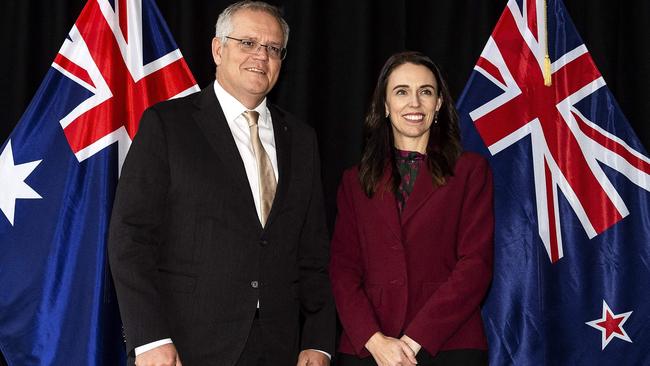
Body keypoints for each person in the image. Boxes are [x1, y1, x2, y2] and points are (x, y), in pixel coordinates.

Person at [107, 2, 335, 365]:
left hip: (280, 348)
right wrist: (149, 338)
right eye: (247, 42)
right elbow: (130, 237)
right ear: (218, 49)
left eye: (273, 48)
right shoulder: (168, 125)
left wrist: (319, 340)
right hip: (184, 346)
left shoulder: (302, 139)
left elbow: (314, 252)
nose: (261, 56)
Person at [329, 51, 493, 366]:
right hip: (369, 349)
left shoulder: (471, 171)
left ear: (439, 105)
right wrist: (374, 340)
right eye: (401, 92)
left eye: (426, 92)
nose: (414, 103)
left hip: (449, 345)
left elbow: (475, 265)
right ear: (385, 106)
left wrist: (414, 340)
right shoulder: (354, 181)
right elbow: (343, 270)